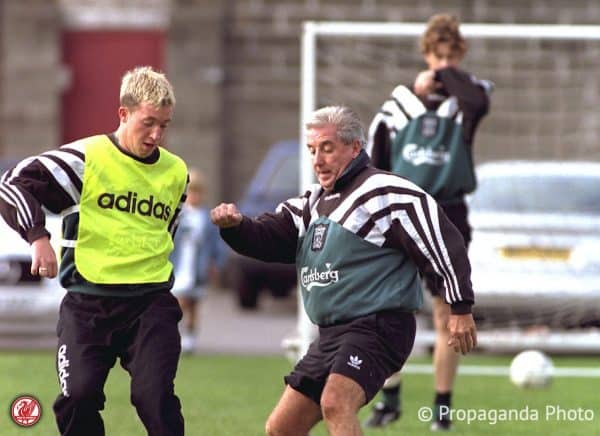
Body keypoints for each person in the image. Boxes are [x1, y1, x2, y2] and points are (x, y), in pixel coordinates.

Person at [211, 105, 478, 436]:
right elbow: (271, 236)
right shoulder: (310, 203)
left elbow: (440, 240)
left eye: (327, 148)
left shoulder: (385, 192)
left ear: (355, 148)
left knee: (336, 402)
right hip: (332, 335)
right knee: (282, 427)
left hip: (379, 325)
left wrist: (460, 305)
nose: (318, 160)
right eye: (312, 150)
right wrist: (236, 227)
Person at [0, 66, 187, 435]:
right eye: (148, 123)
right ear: (123, 113)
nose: (156, 135)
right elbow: (12, 185)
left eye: (164, 125)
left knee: (155, 399)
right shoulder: (86, 159)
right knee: (79, 398)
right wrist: (38, 238)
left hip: (151, 304)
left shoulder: (176, 172)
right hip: (88, 304)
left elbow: (166, 231)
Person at [363, 13, 492, 431]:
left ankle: (441, 407)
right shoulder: (398, 105)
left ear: (460, 55)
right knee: (386, 307)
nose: (443, 63)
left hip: (449, 213)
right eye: (437, 55)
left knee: (446, 313)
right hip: (401, 214)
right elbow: (376, 161)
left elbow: (476, 101)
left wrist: (445, 74)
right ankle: (391, 396)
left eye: (451, 55)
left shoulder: (467, 98)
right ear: (425, 53)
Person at [170, 167, 226, 354]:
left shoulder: (206, 217)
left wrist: (216, 263)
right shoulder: (178, 215)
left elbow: (216, 243)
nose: (194, 196)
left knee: (194, 304)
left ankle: (190, 338)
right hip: (179, 265)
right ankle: (174, 335)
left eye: (197, 192)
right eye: (191, 192)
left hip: (197, 266)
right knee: (180, 301)